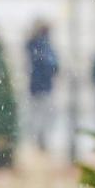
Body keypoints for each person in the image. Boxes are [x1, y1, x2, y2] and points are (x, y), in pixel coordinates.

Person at [24, 21, 59, 151]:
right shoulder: (41, 46)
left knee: (42, 114)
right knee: (41, 114)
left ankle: (39, 138)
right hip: (41, 86)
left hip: (41, 86)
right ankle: (38, 138)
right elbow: (50, 64)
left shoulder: (39, 45)